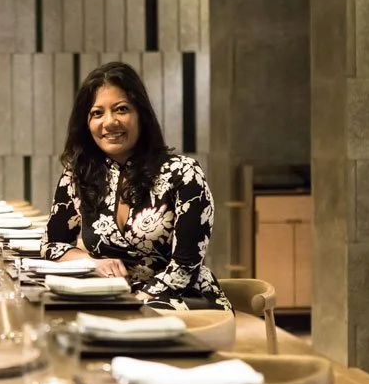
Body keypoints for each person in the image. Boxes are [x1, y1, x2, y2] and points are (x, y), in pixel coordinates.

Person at [42, 61, 230, 311]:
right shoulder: (79, 176)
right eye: (97, 113)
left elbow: (184, 268)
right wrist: (90, 262)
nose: (109, 122)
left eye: (121, 109)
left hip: (182, 299)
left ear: (141, 114)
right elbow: (52, 245)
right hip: (114, 300)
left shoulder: (183, 173)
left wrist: (130, 302)